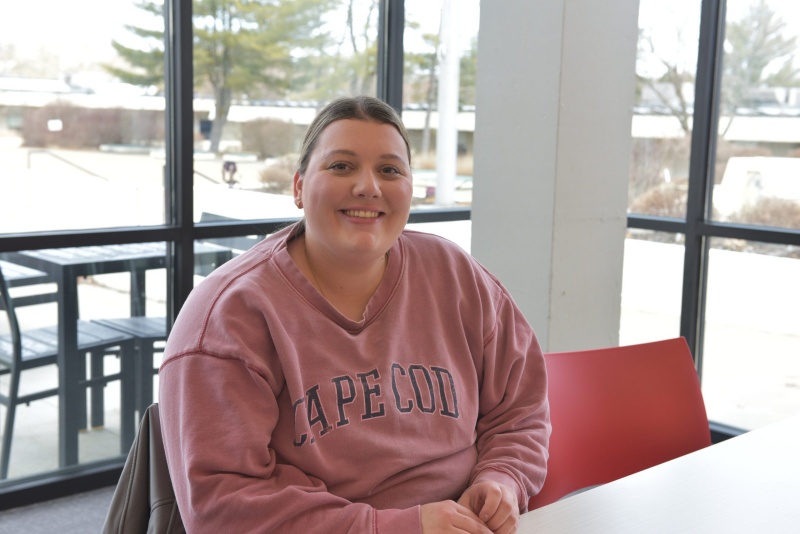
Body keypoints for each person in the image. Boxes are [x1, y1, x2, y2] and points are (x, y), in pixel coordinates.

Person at [159, 95, 551, 533]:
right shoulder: (228, 319)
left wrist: (503, 478)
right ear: (298, 188)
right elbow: (223, 508)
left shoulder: (456, 275)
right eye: (342, 166)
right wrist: (404, 527)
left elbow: (520, 409)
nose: (369, 187)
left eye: (390, 170)